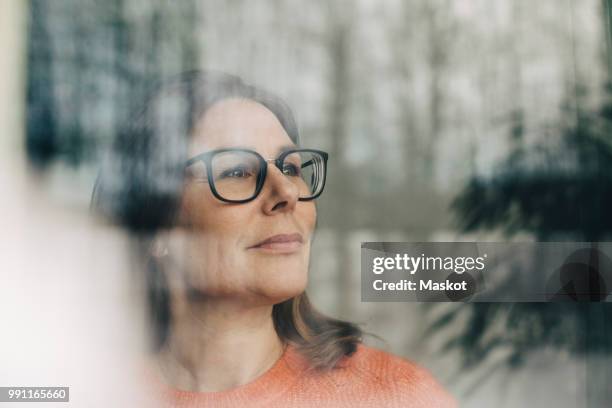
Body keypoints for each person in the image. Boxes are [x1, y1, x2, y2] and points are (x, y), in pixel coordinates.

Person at [92, 71, 457, 407]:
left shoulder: (397, 397)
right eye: (237, 171)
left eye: (291, 168)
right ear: (154, 227)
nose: (288, 192)